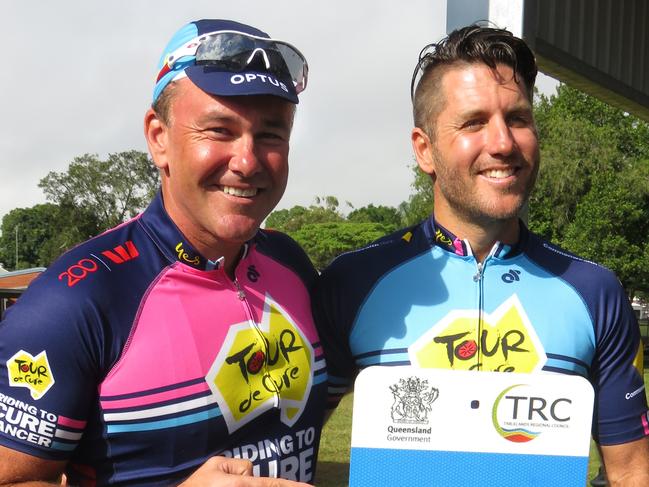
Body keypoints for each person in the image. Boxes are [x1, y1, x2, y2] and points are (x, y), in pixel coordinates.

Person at [313, 24, 649, 484]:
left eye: (518, 118)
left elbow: (632, 471)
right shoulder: (352, 282)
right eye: (474, 123)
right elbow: (292, 449)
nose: (503, 143)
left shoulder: (595, 292)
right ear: (424, 150)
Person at [0, 19, 326, 486]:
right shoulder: (74, 301)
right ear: (159, 137)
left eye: (271, 135)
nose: (248, 161)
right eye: (219, 129)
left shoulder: (291, 264)